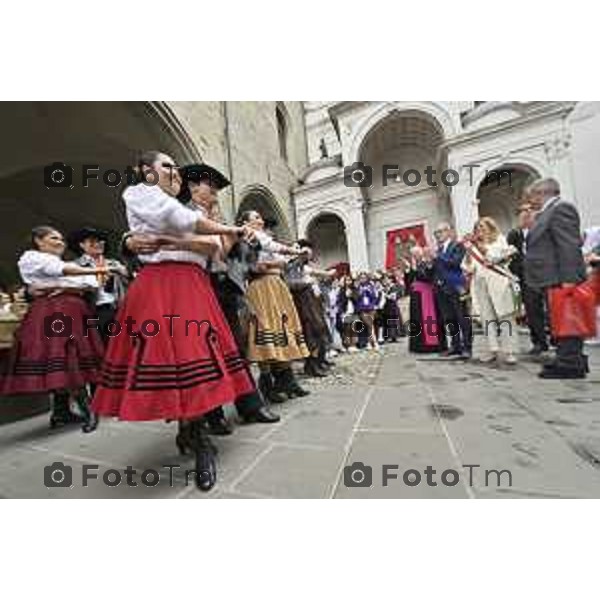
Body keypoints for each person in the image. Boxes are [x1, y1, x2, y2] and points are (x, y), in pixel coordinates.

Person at [91, 151, 257, 491]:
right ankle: (197, 436)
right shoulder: (140, 194)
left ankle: (193, 432)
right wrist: (132, 241)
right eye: (166, 166)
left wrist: (169, 241)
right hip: (159, 284)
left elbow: (214, 249)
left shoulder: (187, 209)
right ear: (145, 172)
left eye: (177, 169)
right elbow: (182, 225)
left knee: (194, 358)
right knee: (172, 359)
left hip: (193, 285)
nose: (175, 172)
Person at [176, 163, 280, 430]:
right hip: (200, 286)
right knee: (207, 351)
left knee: (234, 347)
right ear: (192, 187)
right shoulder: (184, 215)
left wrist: (243, 241)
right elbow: (212, 252)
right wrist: (229, 236)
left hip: (224, 287)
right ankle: (213, 413)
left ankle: (250, 406)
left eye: (216, 189)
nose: (215, 193)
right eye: (210, 187)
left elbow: (239, 259)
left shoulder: (218, 218)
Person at [0, 226, 108, 431]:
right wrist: (96, 271)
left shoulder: (58, 262)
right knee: (66, 355)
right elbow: (67, 273)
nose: (61, 242)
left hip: (69, 308)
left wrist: (68, 285)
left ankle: (61, 412)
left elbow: (91, 284)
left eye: (61, 239)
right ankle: (88, 410)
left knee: (68, 356)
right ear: (38, 241)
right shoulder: (32, 258)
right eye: (53, 238)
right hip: (54, 310)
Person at [240, 210, 311, 401]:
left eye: (260, 217)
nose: (261, 220)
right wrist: (295, 251)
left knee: (283, 328)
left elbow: (280, 260)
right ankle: (267, 384)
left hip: (275, 285)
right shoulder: (249, 235)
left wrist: (284, 260)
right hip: (261, 287)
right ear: (246, 222)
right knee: (266, 330)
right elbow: (266, 255)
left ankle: (287, 380)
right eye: (256, 217)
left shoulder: (261, 237)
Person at [524, 178, 588, 379]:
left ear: (542, 193)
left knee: (566, 319)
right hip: (550, 278)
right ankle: (567, 358)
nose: (530, 200)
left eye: (532, 195)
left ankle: (571, 363)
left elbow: (568, 246)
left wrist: (569, 280)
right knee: (557, 320)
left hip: (561, 278)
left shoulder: (561, 209)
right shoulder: (547, 213)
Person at [463, 218, 520, 365]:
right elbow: (467, 267)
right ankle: (493, 350)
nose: (479, 230)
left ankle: (510, 351)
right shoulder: (473, 247)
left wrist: (478, 245)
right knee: (487, 319)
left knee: (505, 317)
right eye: (477, 228)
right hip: (481, 285)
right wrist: (469, 253)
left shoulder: (499, 240)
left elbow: (495, 257)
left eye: (482, 227)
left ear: (490, 227)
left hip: (499, 284)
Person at [68, 227, 130, 342]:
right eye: (92, 241)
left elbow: (130, 282)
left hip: (116, 309)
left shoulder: (114, 264)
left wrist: (123, 272)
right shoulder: (75, 266)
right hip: (92, 310)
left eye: (101, 241)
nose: (98, 244)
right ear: (82, 245)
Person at [285, 239, 335, 377]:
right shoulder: (291, 265)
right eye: (305, 250)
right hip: (302, 301)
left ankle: (318, 361)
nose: (308, 253)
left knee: (318, 329)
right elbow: (290, 283)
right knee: (310, 331)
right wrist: (306, 284)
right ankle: (311, 364)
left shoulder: (301, 265)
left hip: (310, 299)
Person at [507, 202, 549, 355]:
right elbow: (510, 257)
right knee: (532, 311)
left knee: (551, 308)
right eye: (521, 211)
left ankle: (558, 338)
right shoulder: (514, 234)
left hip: (546, 275)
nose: (525, 213)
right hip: (526, 278)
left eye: (528, 210)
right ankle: (539, 342)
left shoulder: (543, 230)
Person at [433, 222, 472, 358]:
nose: (438, 235)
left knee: (462, 317)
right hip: (442, 288)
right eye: (436, 232)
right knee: (449, 318)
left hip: (456, 286)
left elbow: (455, 263)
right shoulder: (438, 249)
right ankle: (455, 346)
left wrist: (438, 257)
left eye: (440, 231)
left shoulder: (457, 245)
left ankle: (467, 347)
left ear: (449, 231)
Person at [405, 246, 447, 353]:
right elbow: (408, 283)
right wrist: (410, 270)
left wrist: (418, 269)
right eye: (413, 254)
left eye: (416, 254)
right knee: (417, 320)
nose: (414, 256)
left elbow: (428, 277)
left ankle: (433, 345)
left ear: (421, 253)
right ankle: (418, 346)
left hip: (427, 294)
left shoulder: (426, 263)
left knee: (430, 319)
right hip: (416, 296)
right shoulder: (413, 265)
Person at [355, 272, 381, 350]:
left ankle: (370, 343)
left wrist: (369, 291)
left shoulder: (370, 286)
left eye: (364, 278)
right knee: (369, 325)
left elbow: (374, 297)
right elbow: (356, 298)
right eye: (361, 278)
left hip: (370, 308)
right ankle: (374, 342)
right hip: (362, 309)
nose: (363, 279)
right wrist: (360, 291)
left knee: (370, 325)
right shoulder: (358, 287)